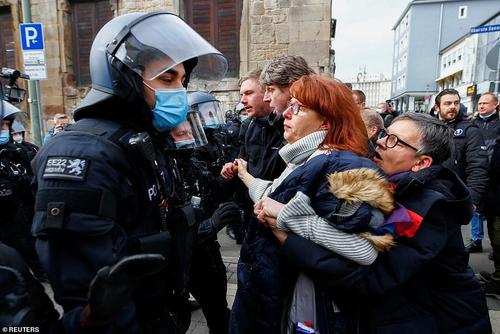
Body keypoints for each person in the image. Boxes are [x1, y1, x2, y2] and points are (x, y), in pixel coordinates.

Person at [30, 12, 227, 332]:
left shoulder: (141, 144)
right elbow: (92, 300)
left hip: (160, 312)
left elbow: (160, 227)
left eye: (181, 79)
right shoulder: (85, 155)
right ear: (125, 78)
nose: (179, 89)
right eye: (167, 79)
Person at [259, 112, 491, 333]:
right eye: (384, 134)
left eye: (394, 141)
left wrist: (288, 238)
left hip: (440, 323)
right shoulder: (387, 187)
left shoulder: (423, 209)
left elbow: (368, 278)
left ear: (421, 163)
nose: (380, 143)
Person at [229, 75, 394, 333]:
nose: (286, 113)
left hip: (310, 308)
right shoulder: (306, 158)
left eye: (298, 107)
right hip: (272, 294)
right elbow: (272, 196)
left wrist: (287, 217)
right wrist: (245, 176)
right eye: (290, 105)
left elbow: (365, 249)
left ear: (327, 120)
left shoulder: (346, 166)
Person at [221, 69, 287, 244]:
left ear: (267, 93)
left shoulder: (287, 126)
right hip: (250, 212)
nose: (242, 101)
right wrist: (233, 167)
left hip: (277, 215)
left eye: (249, 93)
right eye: (241, 94)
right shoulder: (248, 125)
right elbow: (243, 159)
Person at [434, 89, 489, 253]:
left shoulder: (470, 131)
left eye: (456, 103)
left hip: (454, 197)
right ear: (437, 107)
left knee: (450, 246)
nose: (452, 107)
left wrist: (473, 199)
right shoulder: (429, 128)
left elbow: (478, 166)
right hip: (429, 195)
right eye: (448, 103)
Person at [0, 101, 45, 281]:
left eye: (6, 124)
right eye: (1, 124)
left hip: (20, 217)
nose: (6, 129)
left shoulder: (17, 152)